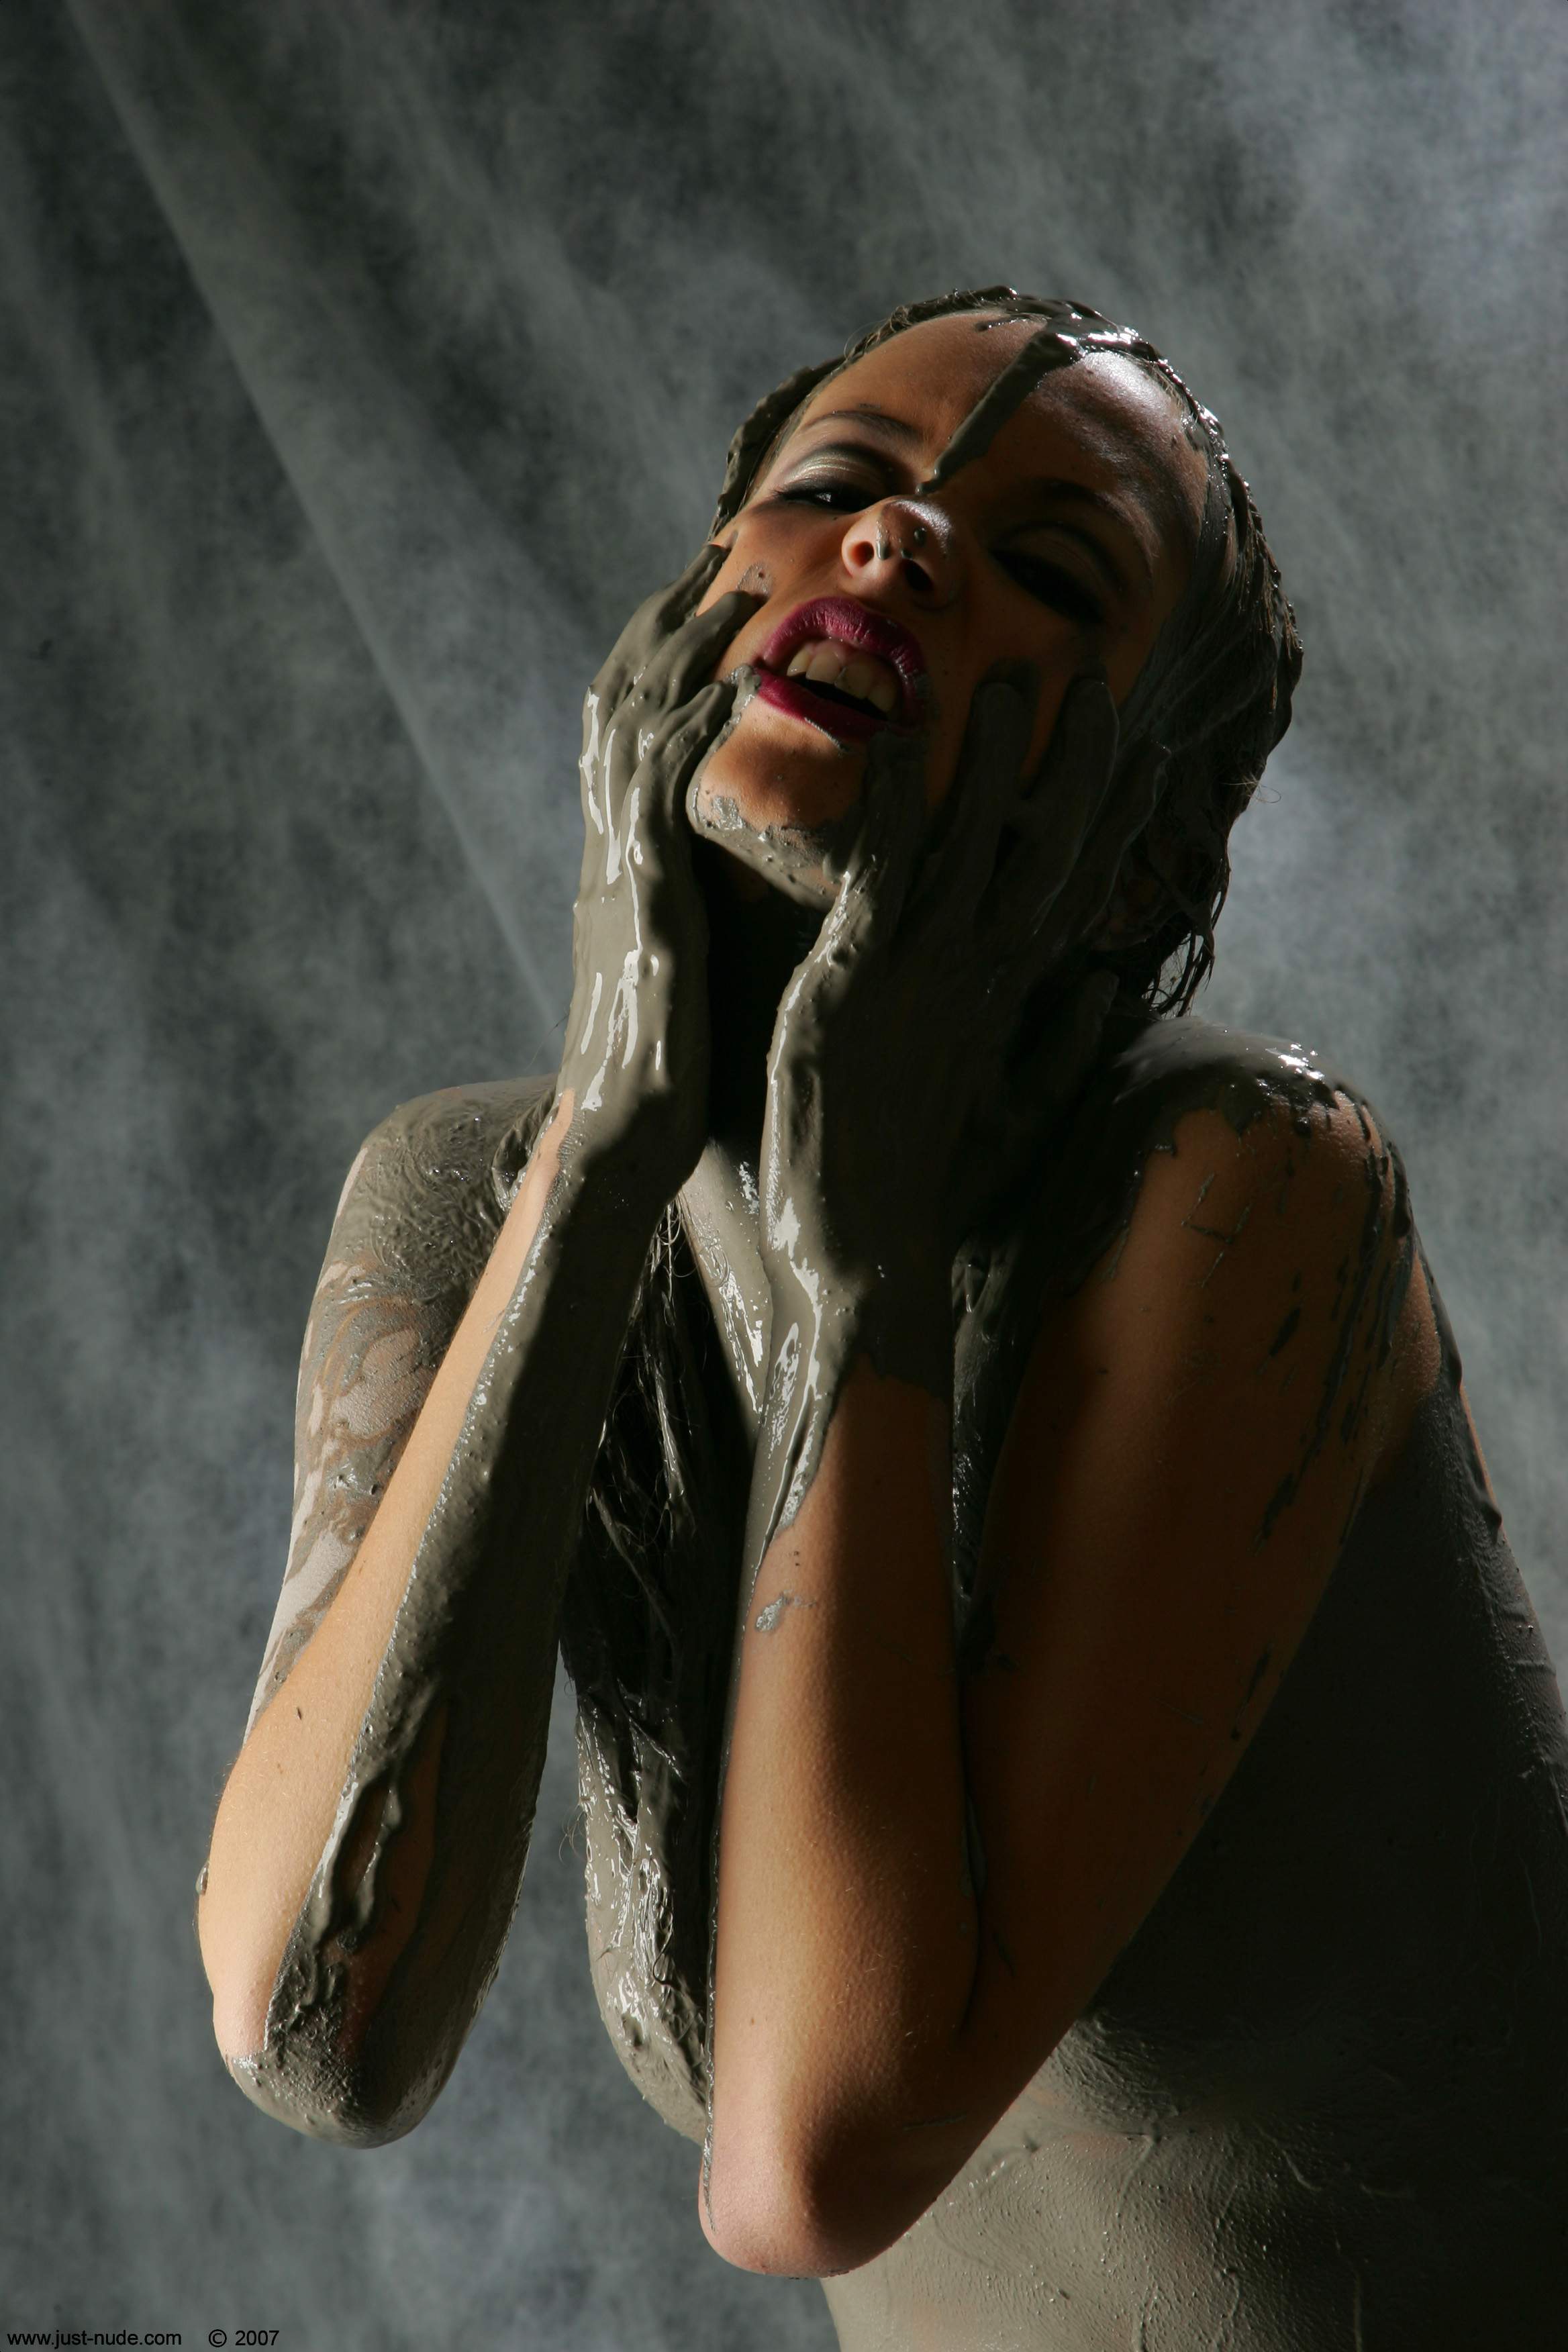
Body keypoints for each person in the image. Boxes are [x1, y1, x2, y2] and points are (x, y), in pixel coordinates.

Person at [196, 288, 1568, 2347]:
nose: (902, 537)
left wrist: (861, 1257)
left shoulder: (1252, 1190)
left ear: (1147, 855)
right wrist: (601, 1154)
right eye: (835, 482)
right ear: (693, 609)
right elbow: (321, 2026)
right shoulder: (472, 1202)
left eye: (1055, 571)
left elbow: (810, 2158)